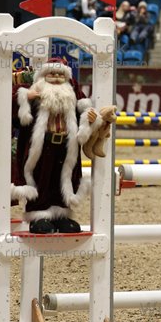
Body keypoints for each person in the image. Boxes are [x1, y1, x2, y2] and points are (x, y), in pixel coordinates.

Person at [12, 60, 112, 234]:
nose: (57, 78)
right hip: (42, 146)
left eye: (61, 75)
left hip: (66, 146)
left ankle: (62, 215)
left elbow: (85, 117)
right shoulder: (34, 92)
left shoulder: (72, 94)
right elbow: (16, 119)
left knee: (65, 178)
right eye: (52, 74)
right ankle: (39, 216)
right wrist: (26, 99)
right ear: (43, 75)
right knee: (41, 178)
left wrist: (89, 119)